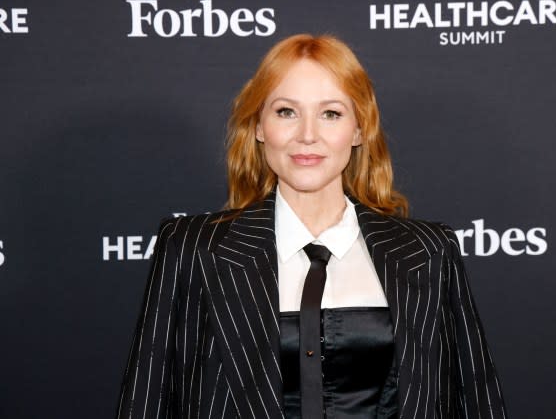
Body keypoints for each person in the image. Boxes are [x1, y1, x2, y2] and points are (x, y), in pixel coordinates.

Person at [116, 33, 507, 419]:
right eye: (286, 112)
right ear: (257, 127)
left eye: (331, 114)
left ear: (358, 130)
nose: (307, 135)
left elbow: (475, 401)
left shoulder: (428, 252)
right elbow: (147, 401)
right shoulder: (192, 249)